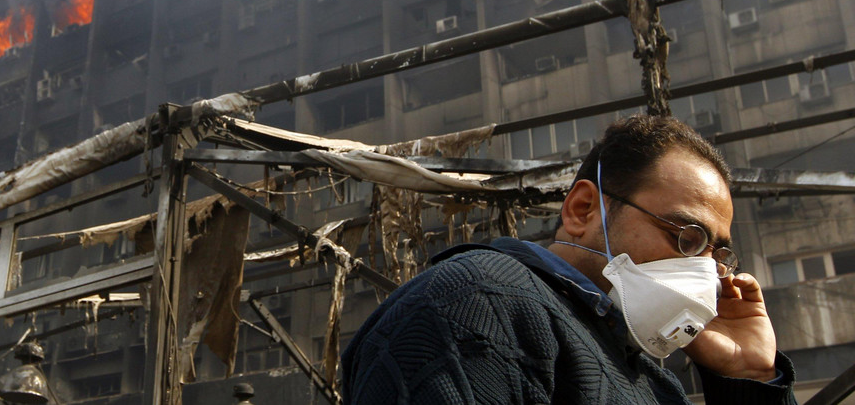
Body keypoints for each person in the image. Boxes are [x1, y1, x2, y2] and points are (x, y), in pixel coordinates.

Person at [341, 115, 796, 404]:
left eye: (716, 252)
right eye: (688, 237)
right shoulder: (479, 302)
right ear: (583, 210)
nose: (706, 273)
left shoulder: (653, 380)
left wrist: (751, 375)